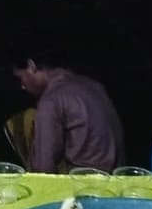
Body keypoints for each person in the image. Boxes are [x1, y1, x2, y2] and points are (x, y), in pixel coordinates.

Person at [9, 35, 125, 173]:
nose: (22, 86)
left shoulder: (51, 101)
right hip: (117, 180)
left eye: (21, 78)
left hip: (85, 185)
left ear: (31, 66)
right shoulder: (95, 86)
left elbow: (42, 170)